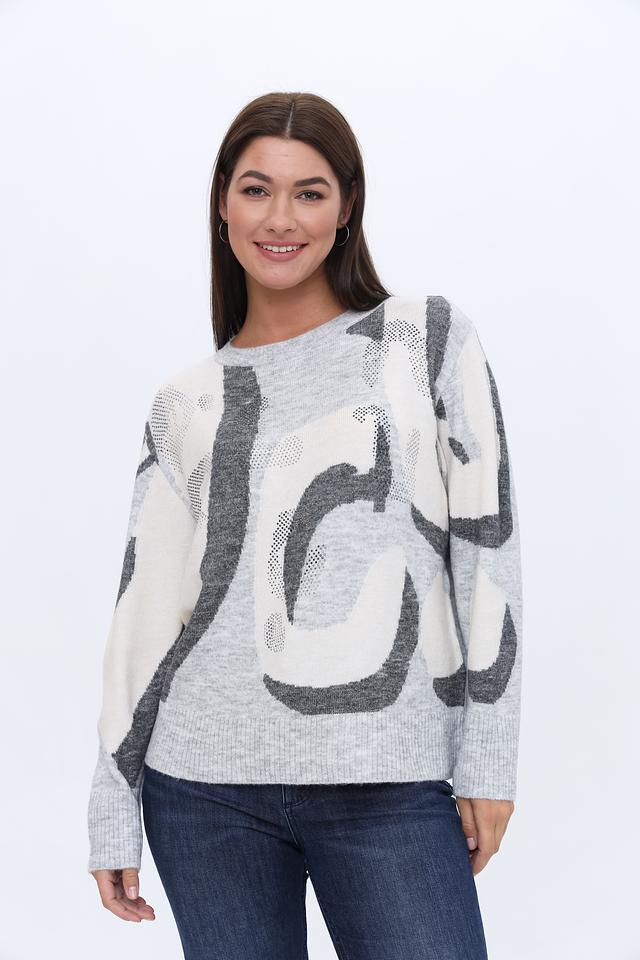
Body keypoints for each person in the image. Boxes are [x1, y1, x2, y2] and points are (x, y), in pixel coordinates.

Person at [87, 91, 523, 960]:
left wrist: (487, 762)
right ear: (222, 205)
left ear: (346, 206)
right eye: (256, 190)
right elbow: (146, 612)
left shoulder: (426, 339)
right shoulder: (186, 402)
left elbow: (487, 556)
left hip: (388, 778)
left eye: (309, 192)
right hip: (204, 789)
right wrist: (112, 803)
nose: (280, 218)